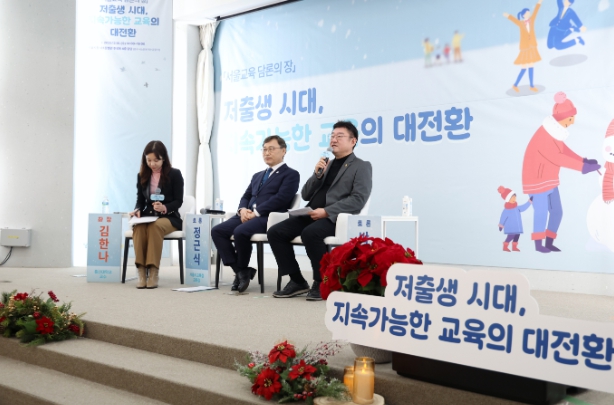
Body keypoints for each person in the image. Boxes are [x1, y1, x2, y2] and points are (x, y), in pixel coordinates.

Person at [267, 121, 373, 301]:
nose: (334, 140)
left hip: (335, 218)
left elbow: (358, 199)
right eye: (332, 136)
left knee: (311, 233)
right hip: (310, 214)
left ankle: (322, 281)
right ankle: (297, 281)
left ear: (353, 141)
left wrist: (327, 211)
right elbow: (306, 194)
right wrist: (317, 174)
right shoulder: (326, 164)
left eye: (339, 136)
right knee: (275, 232)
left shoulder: (361, 166)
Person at [211, 135, 299, 293]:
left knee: (240, 231)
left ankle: (241, 272)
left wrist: (256, 212)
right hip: (248, 215)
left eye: (271, 149)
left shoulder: (291, 174)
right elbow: (246, 196)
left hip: (269, 217)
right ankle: (241, 271)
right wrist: (242, 210)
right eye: (264, 149)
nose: (267, 153)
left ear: (283, 151)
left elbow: (282, 199)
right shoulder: (257, 175)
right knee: (217, 231)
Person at [522, 92, 600, 253]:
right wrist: (582, 167)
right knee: (541, 213)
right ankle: (538, 244)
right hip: (537, 180)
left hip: (550, 178)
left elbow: (564, 151)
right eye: (571, 119)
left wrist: (583, 161)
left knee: (557, 211)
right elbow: (557, 157)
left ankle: (549, 241)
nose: (572, 122)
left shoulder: (555, 133)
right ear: (563, 118)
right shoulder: (544, 135)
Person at [129, 140, 184, 289]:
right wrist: (137, 210)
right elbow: (140, 201)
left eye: (156, 160)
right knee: (138, 227)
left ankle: (153, 272)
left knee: (155, 226)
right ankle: (141, 272)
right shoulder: (142, 175)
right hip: (148, 215)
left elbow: (179, 201)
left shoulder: (175, 174)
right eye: (149, 160)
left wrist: (164, 207)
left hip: (169, 217)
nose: (152, 164)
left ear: (163, 158)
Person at [503, 1, 543, 93]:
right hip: (525, 48)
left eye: (529, 13)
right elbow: (514, 20)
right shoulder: (520, 23)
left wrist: (539, 3)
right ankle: (515, 85)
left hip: (532, 46)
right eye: (527, 13)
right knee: (524, 68)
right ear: (523, 14)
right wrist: (508, 16)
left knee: (531, 66)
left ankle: (531, 86)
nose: (529, 14)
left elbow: (536, 11)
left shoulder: (532, 20)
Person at [497, 186, 532, 252]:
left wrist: (529, 202)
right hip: (510, 227)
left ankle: (514, 247)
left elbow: (524, 207)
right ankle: (505, 246)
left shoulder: (517, 207)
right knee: (511, 236)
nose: (514, 199)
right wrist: (501, 225)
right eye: (512, 197)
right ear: (508, 199)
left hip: (517, 226)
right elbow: (503, 217)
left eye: (515, 197)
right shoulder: (506, 210)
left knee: (517, 236)